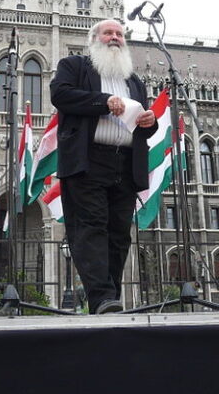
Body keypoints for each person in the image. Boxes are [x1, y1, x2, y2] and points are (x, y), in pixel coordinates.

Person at [50, 19, 157, 314]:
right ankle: (101, 297)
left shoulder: (134, 81)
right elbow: (60, 95)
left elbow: (143, 126)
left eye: (119, 34)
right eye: (108, 33)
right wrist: (104, 102)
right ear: (94, 39)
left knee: (119, 233)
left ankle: (111, 298)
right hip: (88, 160)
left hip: (125, 163)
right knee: (91, 227)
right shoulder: (74, 66)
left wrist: (150, 121)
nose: (115, 38)